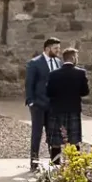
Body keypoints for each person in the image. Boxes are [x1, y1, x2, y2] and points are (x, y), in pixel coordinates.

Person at [23, 38, 61, 170]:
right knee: (37, 134)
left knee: (54, 134)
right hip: (38, 105)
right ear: (47, 48)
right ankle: (34, 163)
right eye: (56, 48)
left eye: (58, 48)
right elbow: (29, 83)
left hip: (53, 106)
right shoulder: (35, 63)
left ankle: (56, 164)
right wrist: (31, 101)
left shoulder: (58, 62)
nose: (58, 51)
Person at [45, 48, 90, 153]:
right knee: (74, 141)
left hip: (57, 110)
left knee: (56, 142)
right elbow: (85, 92)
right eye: (77, 57)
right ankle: (75, 166)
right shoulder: (81, 73)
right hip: (73, 109)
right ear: (73, 58)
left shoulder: (53, 74)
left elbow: (48, 93)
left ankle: (55, 165)